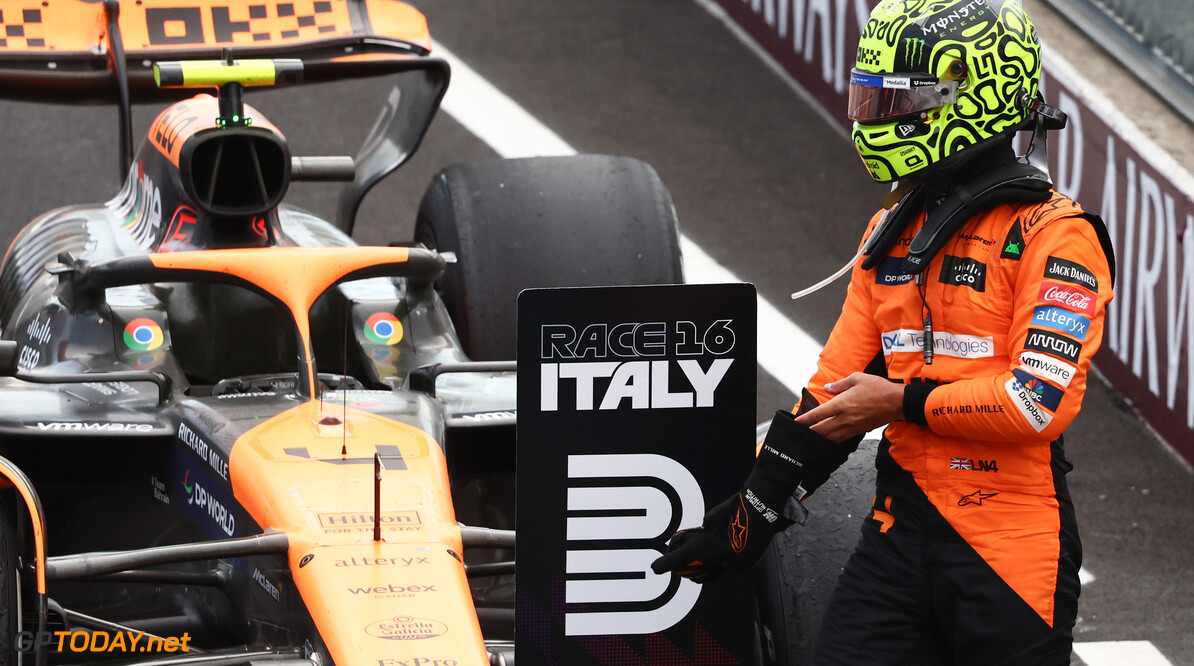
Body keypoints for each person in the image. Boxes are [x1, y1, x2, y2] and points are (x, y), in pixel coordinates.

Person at [652, 0, 1116, 663]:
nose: (875, 119)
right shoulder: (887, 237)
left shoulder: (1056, 236)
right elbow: (827, 405)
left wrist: (901, 403)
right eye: (871, 98)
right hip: (899, 542)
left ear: (969, 96)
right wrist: (740, 525)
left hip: (1011, 554)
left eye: (896, 100)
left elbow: (1036, 403)